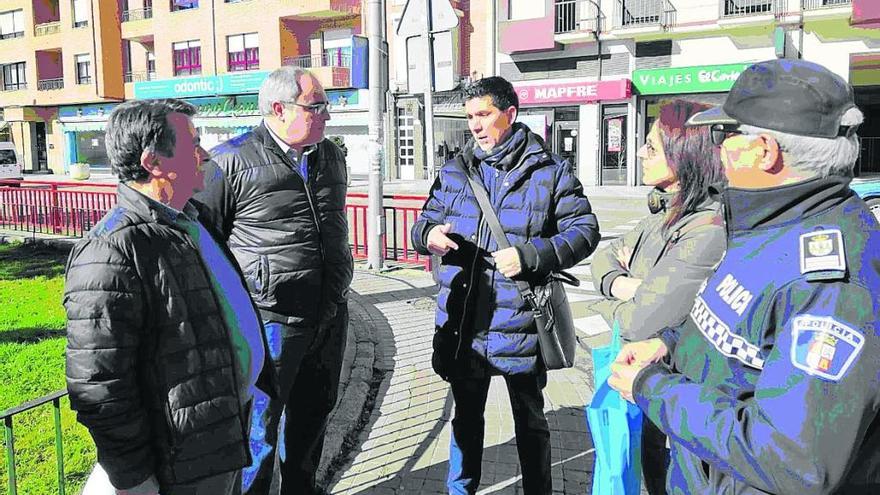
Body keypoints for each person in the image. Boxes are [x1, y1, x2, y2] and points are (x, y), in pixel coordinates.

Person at [608, 59, 880, 494]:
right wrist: (671, 344)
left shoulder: (831, 282)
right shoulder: (770, 222)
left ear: (765, 150)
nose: (717, 147)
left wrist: (651, 388)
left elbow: (793, 459)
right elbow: (742, 333)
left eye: (726, 134)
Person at [64, 99, 274, 495]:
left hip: (223, 435)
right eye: (193, 144)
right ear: (153, 162)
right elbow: (99, 385)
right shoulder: (110, 250)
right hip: (179, 463)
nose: (205, 154)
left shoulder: (194, 219)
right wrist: (133, 478)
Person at [411, 76, 600, 494]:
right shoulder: (456, 170)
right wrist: (427, 236)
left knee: (530, 423)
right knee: (464, 423)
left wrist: (532, 256)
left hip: (522, 324)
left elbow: (585, 230)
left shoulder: (549, 171)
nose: (475, 126)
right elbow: (424, 220)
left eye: (484, 115)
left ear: (509, 114)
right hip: (466, 325)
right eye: (469, 118)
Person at [197, 66, 352, 495]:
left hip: (329, 314)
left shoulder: (331, 155)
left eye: (325, 105)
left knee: (314, 415)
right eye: (316, 105)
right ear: (279, 109)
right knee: (260, 430)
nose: (326, 113)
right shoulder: (230, 160)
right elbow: (204, 242)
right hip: (270, 323)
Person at [588, 99, 726, 494]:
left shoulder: (707, 226)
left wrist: (628, 294)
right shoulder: (662, 212)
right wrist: (625, 286)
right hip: (650, 387)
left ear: (684, 154)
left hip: (679, 394)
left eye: (651, 147)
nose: (640, 153)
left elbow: (640, 321)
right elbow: (603, 258)